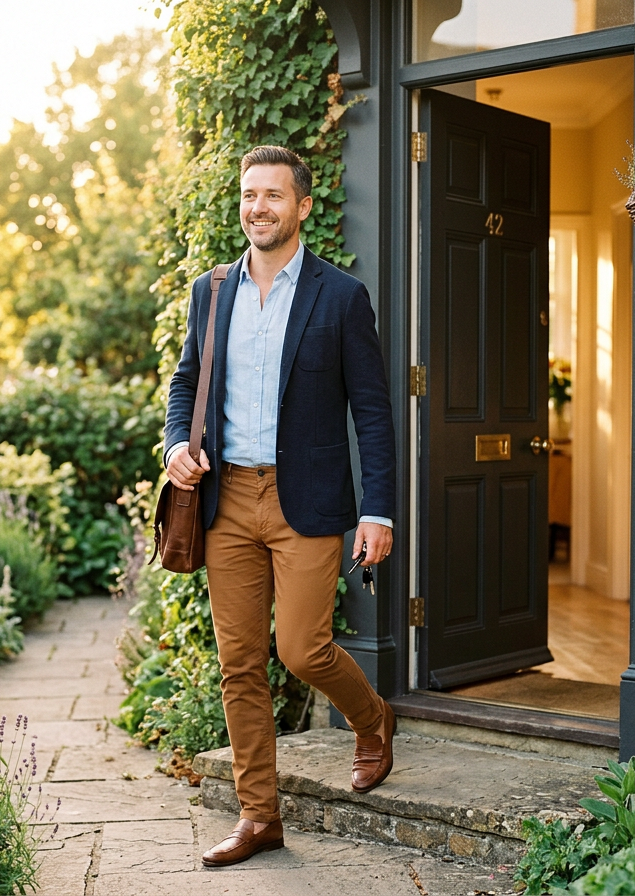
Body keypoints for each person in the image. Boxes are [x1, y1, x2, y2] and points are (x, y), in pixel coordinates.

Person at [164, 145, 398, 868]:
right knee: (239, 664)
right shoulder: (212, 290)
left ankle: (373, 720)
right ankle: (259, 818)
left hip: (309, 501)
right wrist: (175, 442)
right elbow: (184, 383)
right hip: (226, 498)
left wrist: (379, 510)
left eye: (272, 195)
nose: (257, 208)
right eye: (248, 195)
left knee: (301, 649)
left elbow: (373, 412)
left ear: (300, 205)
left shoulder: (339, 297)